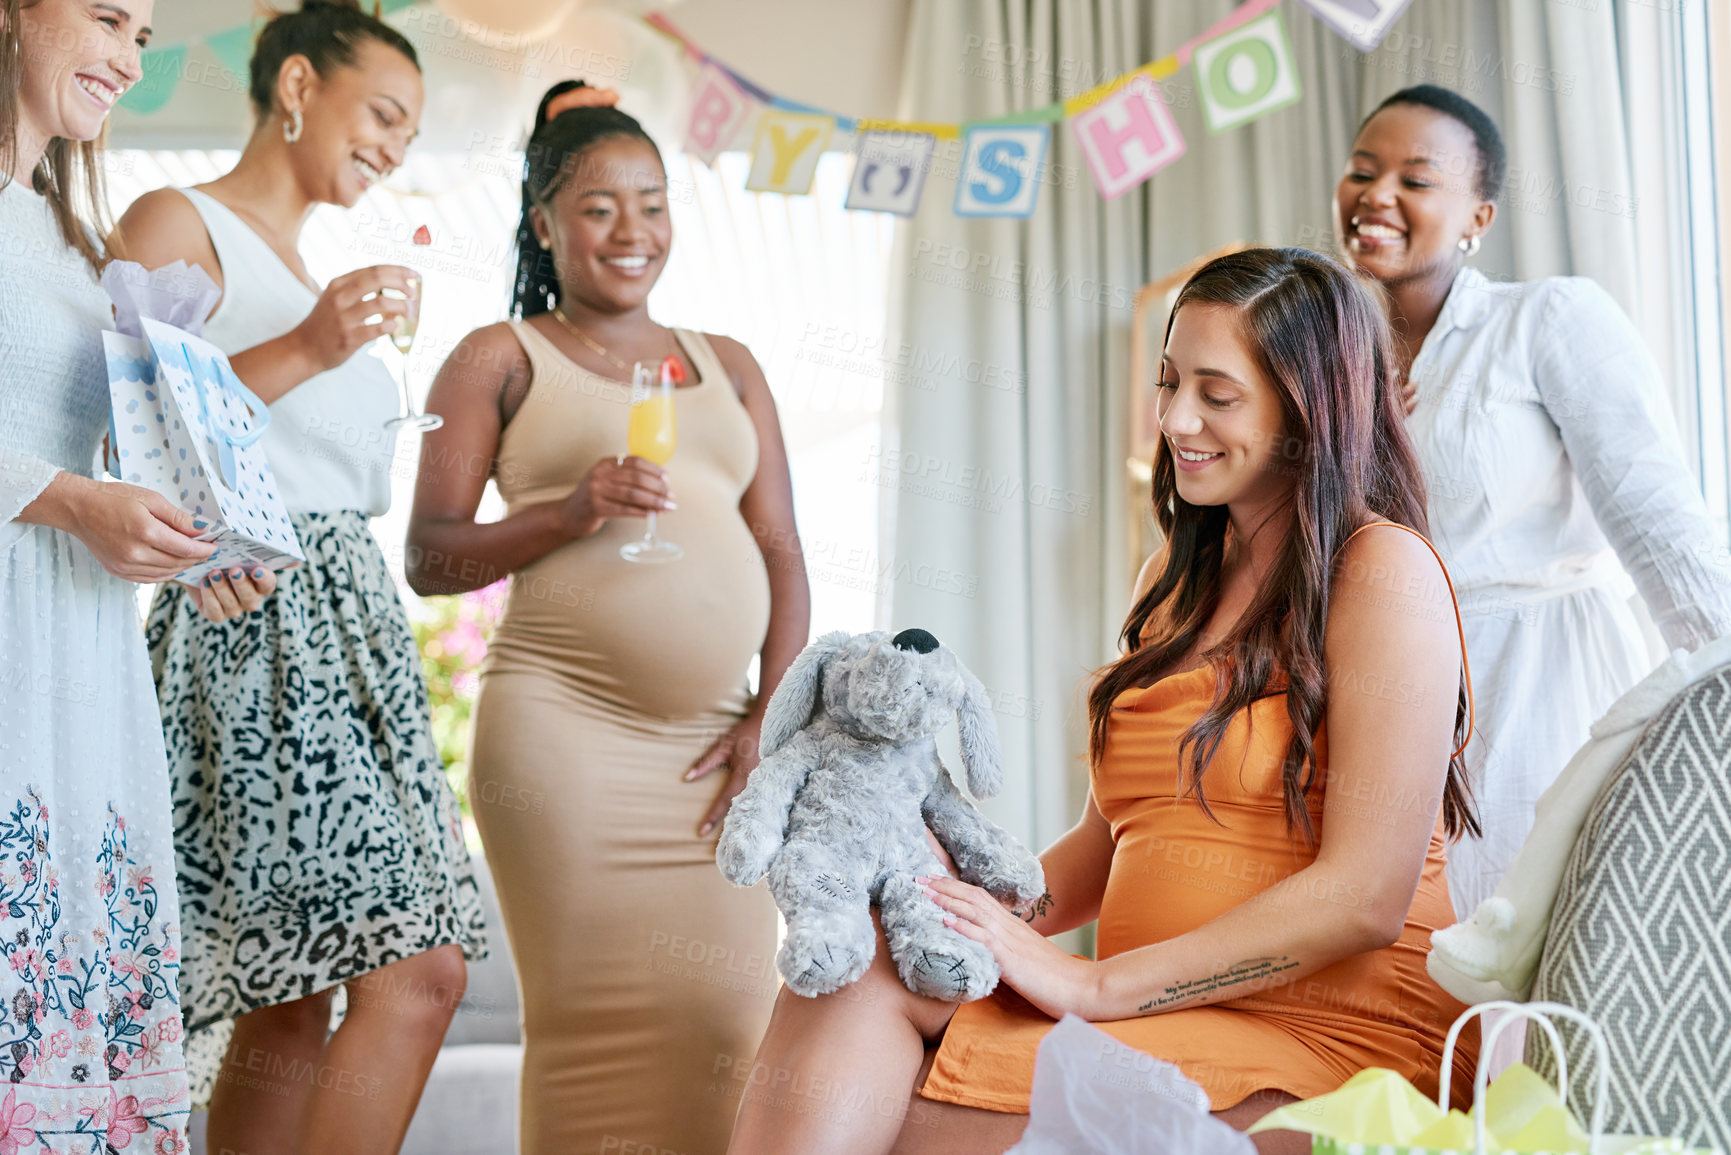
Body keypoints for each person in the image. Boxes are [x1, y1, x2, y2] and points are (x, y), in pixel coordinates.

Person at [727, 248, 1481, 1155]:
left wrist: (1091, 985)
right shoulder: (1172, 574)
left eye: (1216, 392)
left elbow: (1365, 895)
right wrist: (950, 897)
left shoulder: (1382, 572)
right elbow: (1103, 839)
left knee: (915, 1127)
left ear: (1307, 404)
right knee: (855, 970)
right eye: (1168, 384)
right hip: (1152, 1014)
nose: (1173, 419)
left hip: (1322, 1038)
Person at [404, 79, 811, 1153]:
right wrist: (567, 510)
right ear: (545, 223)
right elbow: (429, 556)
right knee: (584, 1036)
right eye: (598, 207)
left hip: (716, 755)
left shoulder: (733, 366)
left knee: (730, 1026)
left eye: (653, 202)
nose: (632, 231)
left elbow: (782, 554)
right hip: (564, 738)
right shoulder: (496, 356)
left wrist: (772, 713)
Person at [108, 3, 486, 1152]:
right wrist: (317, 347)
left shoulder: (304, 265)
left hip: (351, 627)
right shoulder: (179, 217)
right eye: (382, 112)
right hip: (252, 619)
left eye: (411, 134)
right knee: (418, 973)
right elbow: (130, 442)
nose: (392, 147)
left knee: (294, 990)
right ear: (299, 86)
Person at [1334, 84, 1731, 918]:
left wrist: (1719, 699)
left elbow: (1658, 523)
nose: (1377, 194)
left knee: (1523, 936)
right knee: (1409, 950)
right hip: (1392, 693)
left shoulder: (1547, 319)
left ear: (1478, 216)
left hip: (1539, 681)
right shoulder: (1342, 373)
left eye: (1415, 178)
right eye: (1362, 171)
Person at [0, 0, 262, 1146]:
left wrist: (190, 537)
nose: (128, 57)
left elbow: (105, 465)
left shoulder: (73, 245)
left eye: (145, 36)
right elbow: (61, 485)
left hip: (79, 668)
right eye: (108, 17)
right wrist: (66, 502)